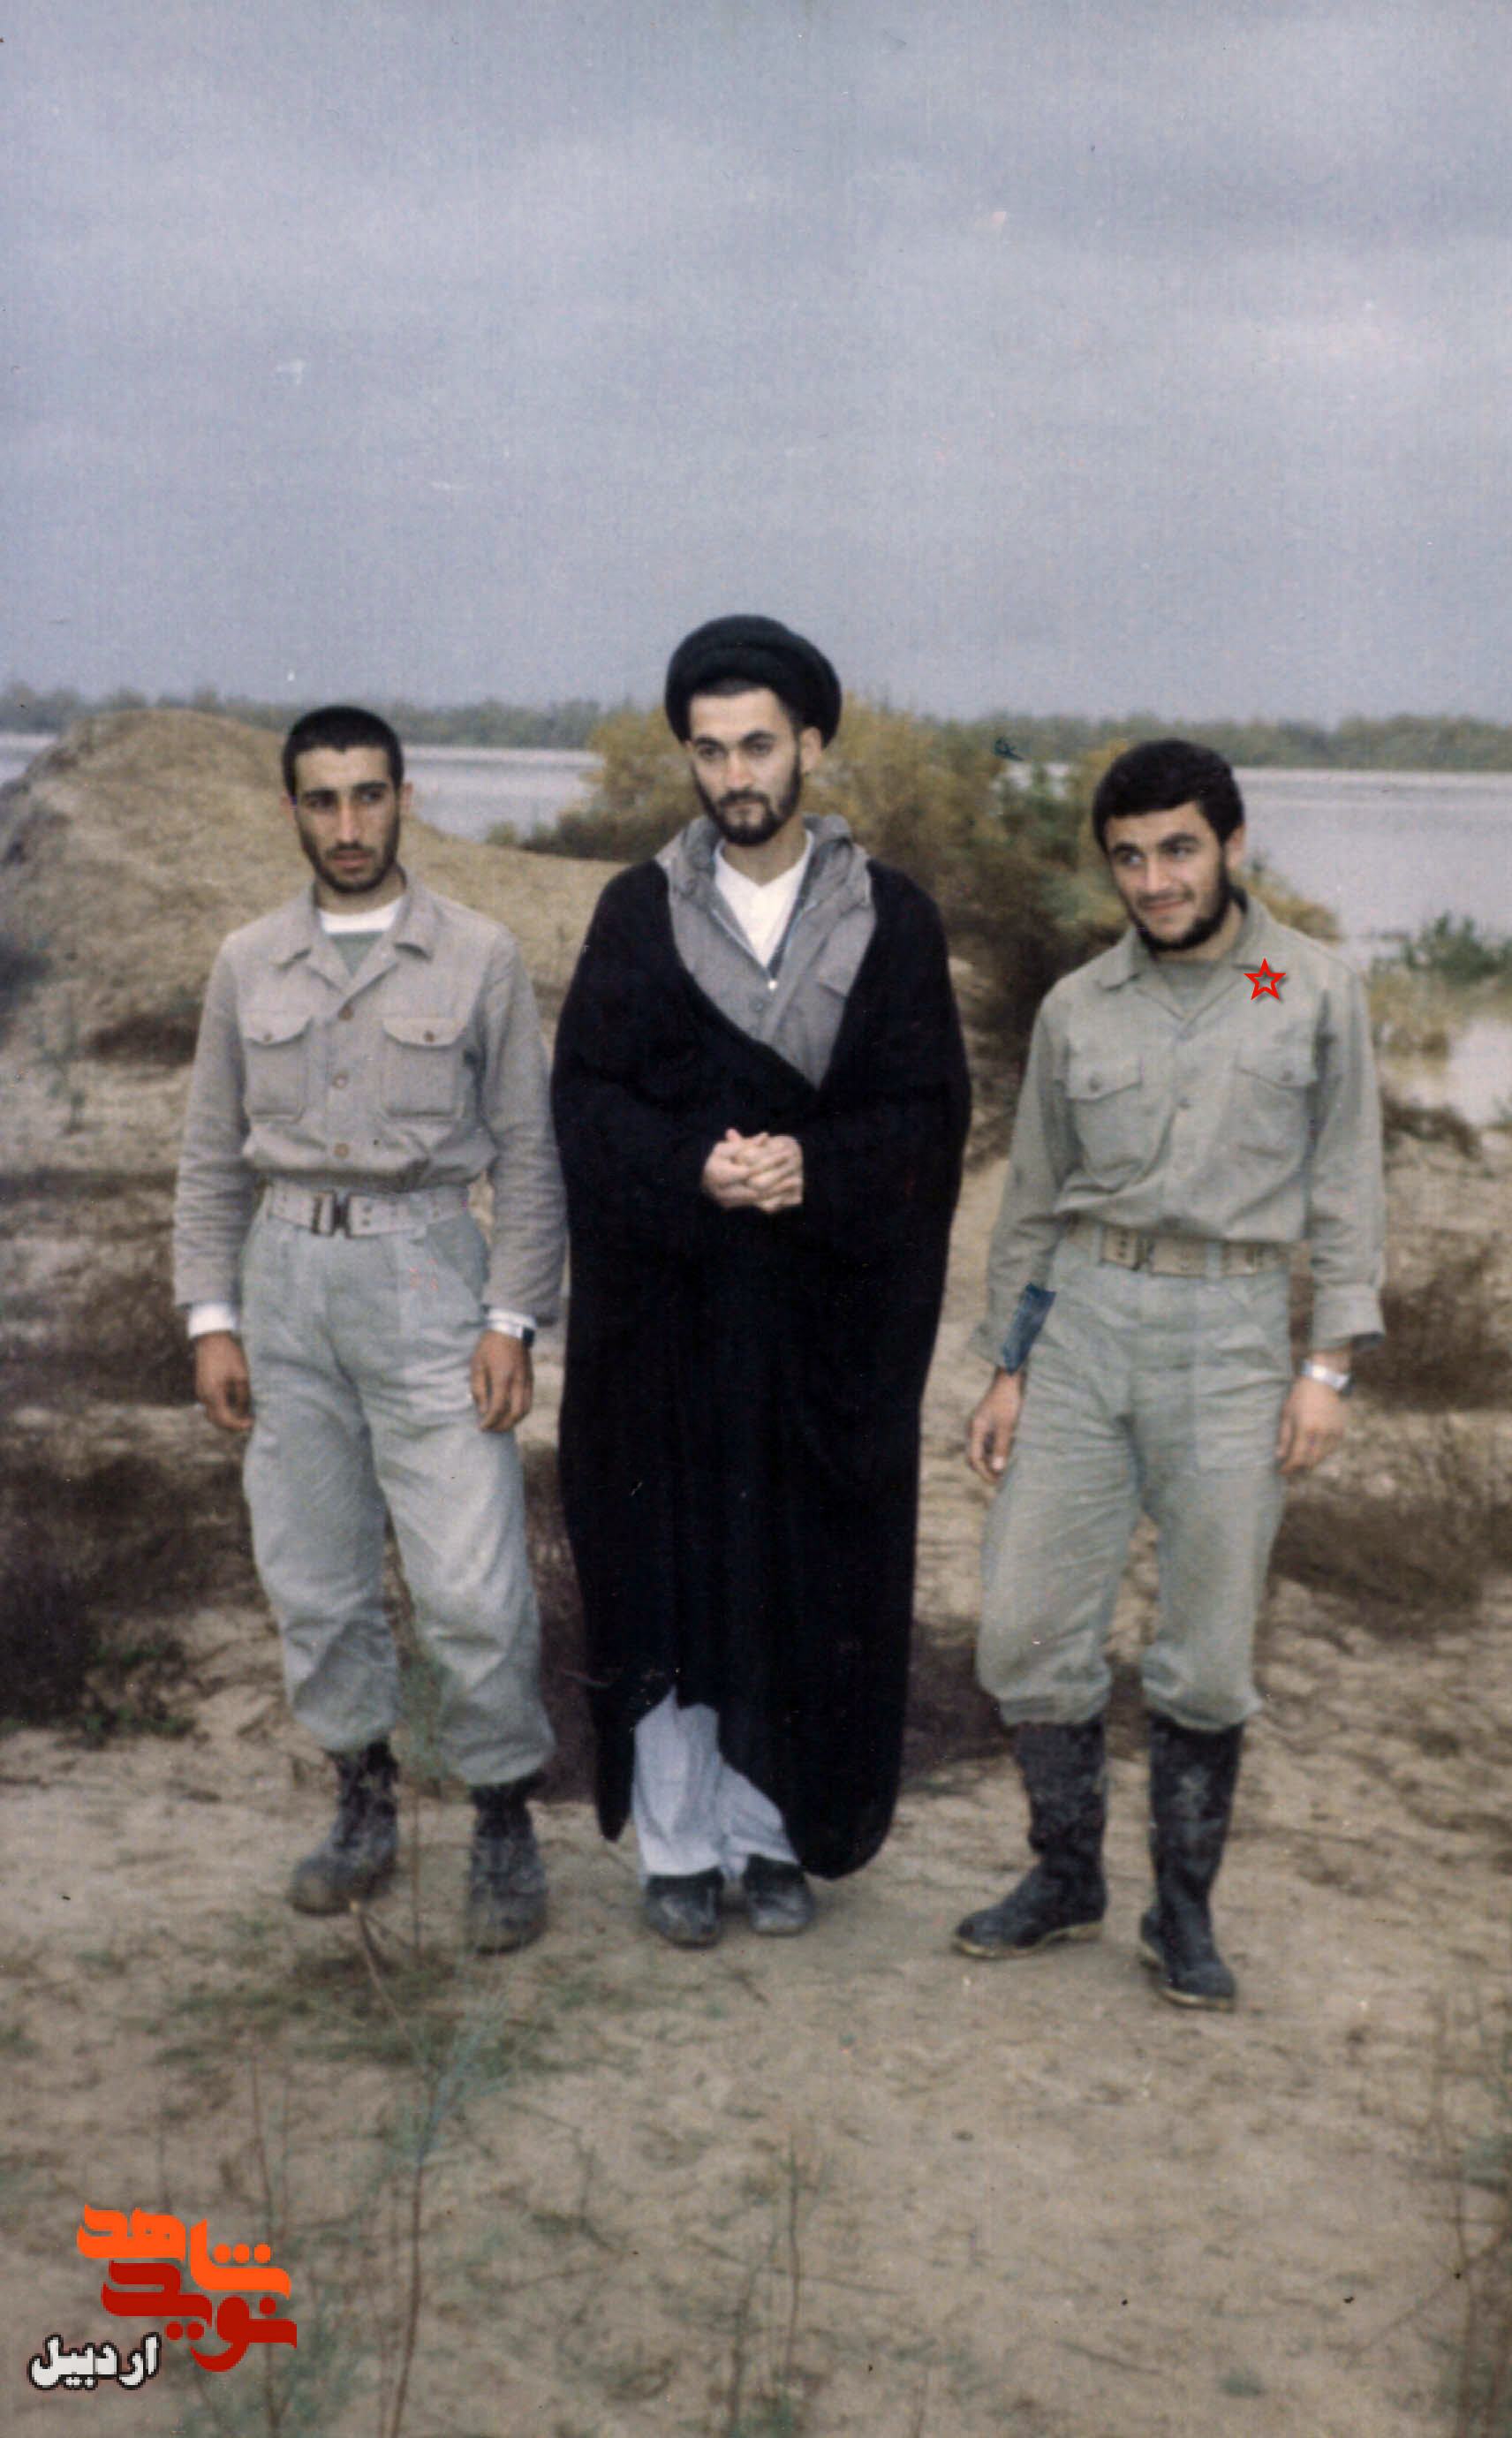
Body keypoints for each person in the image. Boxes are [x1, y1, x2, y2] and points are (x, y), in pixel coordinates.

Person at [552, 616, 970, 1948]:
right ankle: (679, 1851)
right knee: (672, 1573)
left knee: (803, 1578)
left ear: (812, 748)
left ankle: (772, 1837)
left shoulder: (891, 919)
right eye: (710, 750)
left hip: (820, 1330)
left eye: (758, 747)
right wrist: (696, 1167)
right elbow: (586, 1102)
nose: (735, 776)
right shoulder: (636, 913)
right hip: (668, 1325)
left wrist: (814, 1165)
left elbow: (928, 1116)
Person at [956, 738, 1384, 2009]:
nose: (1155, 881)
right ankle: (1065, 1877)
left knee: (1205, 1645)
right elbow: (1033, 1203)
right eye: (1130, 857)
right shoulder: (1079, 1005)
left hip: (1233, 1336)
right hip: (1085, 1326)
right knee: (1027, 1623)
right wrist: (1008, 1366)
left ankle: (1180, 1912)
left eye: (1180, 849)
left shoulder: (1306, 989)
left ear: (1233, 846)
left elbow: (1348, 1189)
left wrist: (1327, 1368)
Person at [172, 704, 566, 1953]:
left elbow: (530, 1155)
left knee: (472, 1582)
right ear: (292, 810)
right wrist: (212, 1318)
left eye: (369, 796)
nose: (348, 825)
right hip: (285, 1284)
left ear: (405, 799)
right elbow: (209, 1157)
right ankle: (362, 1801)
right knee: (313, 1574)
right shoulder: (248, 961)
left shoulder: (480, 953)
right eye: (323, 800)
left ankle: (501, 1816)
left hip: (429, 1276)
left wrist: (512, 1319)